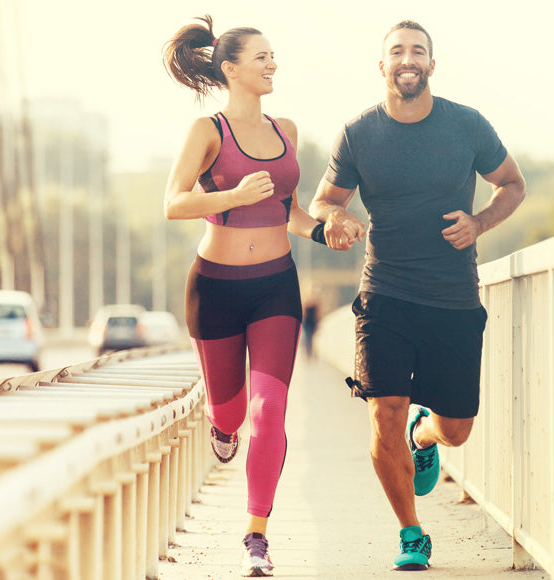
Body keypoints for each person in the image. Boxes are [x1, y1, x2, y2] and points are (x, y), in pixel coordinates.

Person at [309, 20, 526, 571]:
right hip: (384, 293)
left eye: (418, 52)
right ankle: (411, 531)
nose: (408, 60)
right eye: (397, 52)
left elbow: (513, 184)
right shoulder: (359, 133)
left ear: (432, 64)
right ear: (382, 66)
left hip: (453, 296)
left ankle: (424, 437)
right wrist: (337, 216)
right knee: (384, 411)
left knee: (456, 429)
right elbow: (321, 201)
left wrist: (479, 222)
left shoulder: (467, 125)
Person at [162, 15, 329, 577]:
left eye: (273, 55)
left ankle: (256, 536)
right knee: (232, 413)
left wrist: (326, 230)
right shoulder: (207, 132)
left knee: (270, 409)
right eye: (261, 57)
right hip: (215, 288)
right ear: (230, 68)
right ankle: (221, 426)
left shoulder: (288, 130)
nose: (272, 64)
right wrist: (230, 194)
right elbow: (174, 203)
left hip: (276, 287)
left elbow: (290, 211)